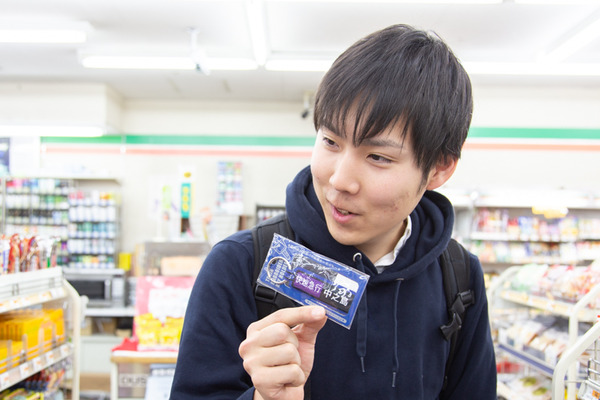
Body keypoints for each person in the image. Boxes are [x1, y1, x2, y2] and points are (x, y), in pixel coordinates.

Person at [170, 24, 497, 399]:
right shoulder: (241, 264)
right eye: (330, 141)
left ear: (438, 169)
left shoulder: (458, 278)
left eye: (378, 157)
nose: (340, 180)